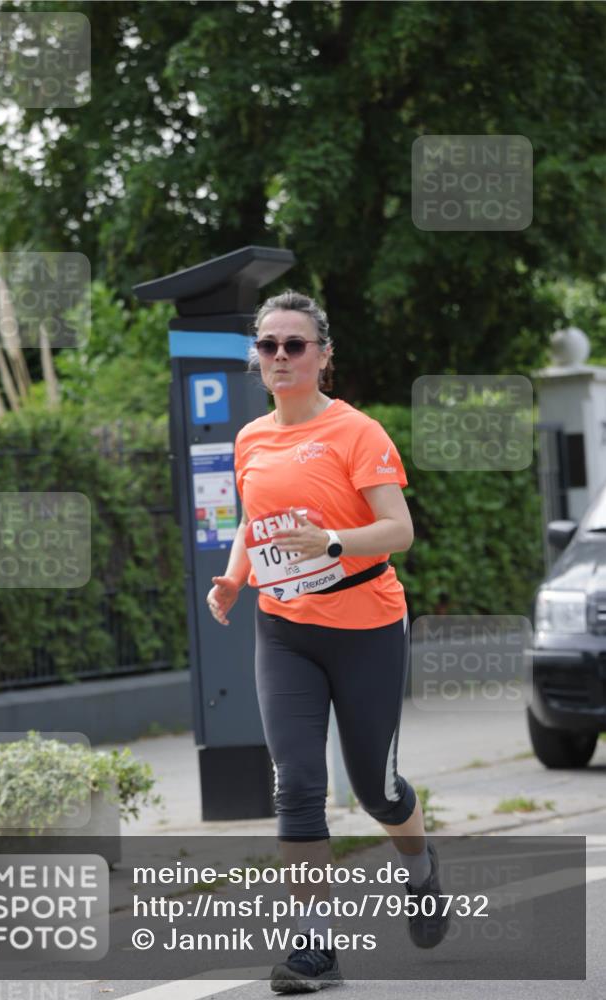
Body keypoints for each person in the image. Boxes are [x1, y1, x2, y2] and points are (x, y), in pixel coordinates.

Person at [206, 290, 449, 993]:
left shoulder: (357, 433)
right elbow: (254, 526)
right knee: (298, 785)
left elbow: (396, 531)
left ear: (322, 355)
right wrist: (231, 578)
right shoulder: (250, 438)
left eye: (295, 345)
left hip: (366, 625)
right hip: (284, 630)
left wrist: (334, 540)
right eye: (268, 345)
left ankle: (420, 871)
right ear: (255, 356)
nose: (280, 357)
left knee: (376, 790)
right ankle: (315, 949)